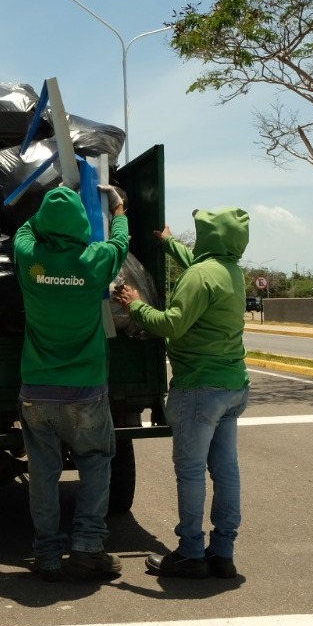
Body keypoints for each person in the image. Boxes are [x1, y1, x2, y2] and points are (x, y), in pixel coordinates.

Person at [113, 207, 251, 580]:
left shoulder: (198, 277)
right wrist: (169, 242)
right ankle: (222, 552)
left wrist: (134, 305)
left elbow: (171, 324)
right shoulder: (231, 272)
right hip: (232, 385)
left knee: (190, 472)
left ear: (210, 237)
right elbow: (200, 264)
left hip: (198, 389)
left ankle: (190, 553)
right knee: (226, 471)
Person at [13, 184, 129, 582]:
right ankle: (87, 548)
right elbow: (120, 240)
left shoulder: (29, 258)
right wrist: (117, 205)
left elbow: (24, 230)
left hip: (37, 391)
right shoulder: (96, 260)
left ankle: (46, 554)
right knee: (96, 464)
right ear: (81, 223)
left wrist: (51, 203)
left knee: (43, 472)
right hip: (86, 391)